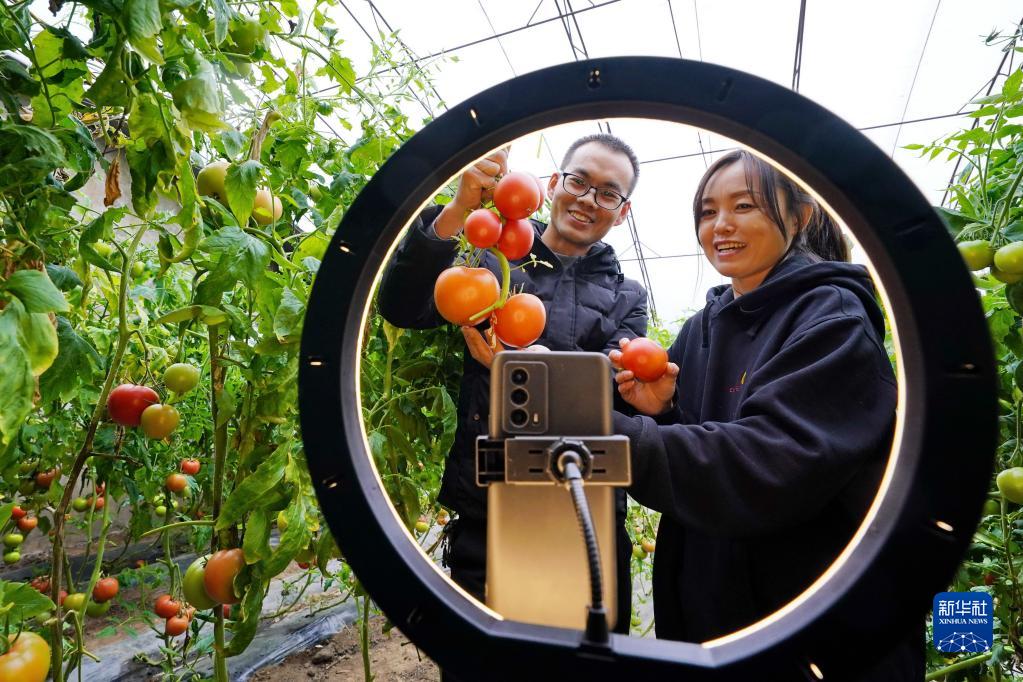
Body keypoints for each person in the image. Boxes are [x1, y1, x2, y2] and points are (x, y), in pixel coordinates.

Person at [610, 150, 922, 678]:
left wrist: (607, 433)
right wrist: (662, 413)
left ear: (799, 218)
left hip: (812, 635)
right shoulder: (700, 329)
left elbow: (764, 465)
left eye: (744, 206)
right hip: (716, 626)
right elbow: (703, 449)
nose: (721, 225)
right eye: (708, 212)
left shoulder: (832, 318)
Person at [377, 133, 649, 635]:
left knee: (585, 662)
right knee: (482, 658)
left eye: (608, 193)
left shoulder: (627, 295)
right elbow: (403, 306)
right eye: (579, 181)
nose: (589, 199)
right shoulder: (490, 260)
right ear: (553, 184)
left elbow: (621, 392)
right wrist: (460, 207)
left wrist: (534, 370)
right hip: (488, 504)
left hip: (586, 509)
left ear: (623, 211)